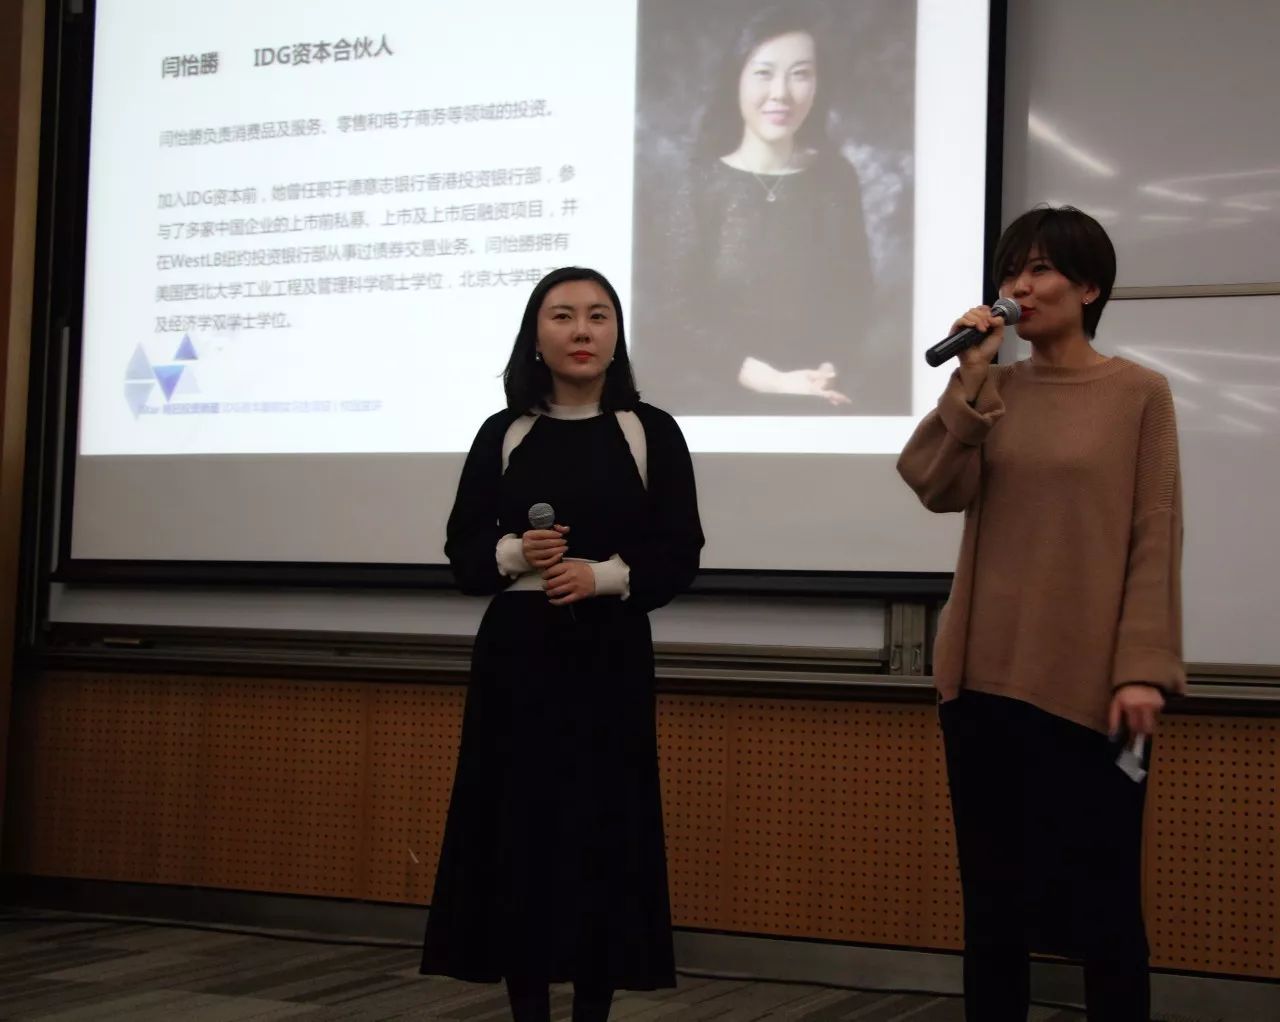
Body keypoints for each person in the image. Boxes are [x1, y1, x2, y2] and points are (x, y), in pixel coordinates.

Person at [897, 206, 1184, 1021]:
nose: (1019, 286)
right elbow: (933, 483)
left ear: (1089, 288)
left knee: (1106, 912)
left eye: (1041, 269)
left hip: (1089, 689)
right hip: (982, 682)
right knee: (993, 912)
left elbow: (1156, 535)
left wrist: (1142, 669)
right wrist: (970, 377)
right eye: (1010, 270)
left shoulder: (1138, 393)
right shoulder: (995, 388)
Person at [420, 267, 704, 1022]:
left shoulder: (649, 430)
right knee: (518, 834)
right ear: (535, 337)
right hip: (516, 661)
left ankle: (592, 1009)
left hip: (609, 655)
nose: (582, 331)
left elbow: (680, 551)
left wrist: (603, 576)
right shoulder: (503, 432)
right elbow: (463, 553)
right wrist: (515, 552)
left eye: (599, 316)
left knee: (603, 833)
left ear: (616, 336)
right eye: (563, 316)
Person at [635, 3, 875, 415]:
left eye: (800, 74)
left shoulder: (836, 176)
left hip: (819, 393)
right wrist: (767, 380)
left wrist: (830, 368)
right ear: (737, 80)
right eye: (764, 73)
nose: (781, 93)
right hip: (715, 400)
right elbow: (675, 313)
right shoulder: (700, 181)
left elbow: (856, 295)